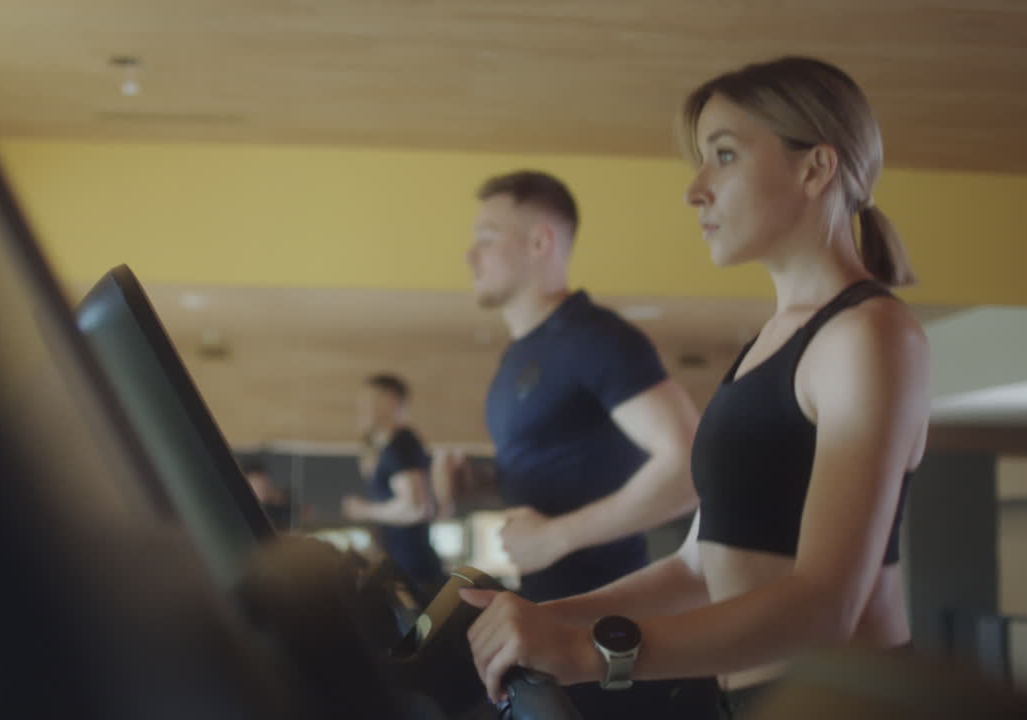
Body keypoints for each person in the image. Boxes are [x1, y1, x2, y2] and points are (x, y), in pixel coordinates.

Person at [458, 56, 931, 719]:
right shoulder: (766, 345)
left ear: (815, 168)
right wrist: (539, 618)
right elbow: (700, 567)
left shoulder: (868, 334)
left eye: (725, 155)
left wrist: (589, 651)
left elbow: (825, 606)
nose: (695, 189)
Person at [435, 170, 719, 717]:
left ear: (540, 242)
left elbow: (687, 465)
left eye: (487, 237)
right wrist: (479, 482)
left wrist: (556, 537)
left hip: (609, 644)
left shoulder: (596, 338)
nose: (471, 255)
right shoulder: (518, 357)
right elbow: (564, 468)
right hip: (548, 616)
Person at [342, 373, 446, 602]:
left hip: (414, 572)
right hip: (402, 567)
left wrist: (363, 510)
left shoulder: (401, 445)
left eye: (369, 401)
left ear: (391, 402)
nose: (363, 409)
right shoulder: (387, 448)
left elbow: (417, 508)